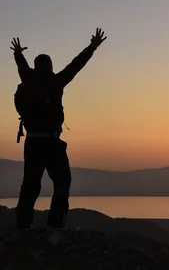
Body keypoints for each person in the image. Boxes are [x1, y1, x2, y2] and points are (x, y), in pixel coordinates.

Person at [10, 28, 107, 229]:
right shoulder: (56, 81)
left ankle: (22, 226)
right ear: (50, 66)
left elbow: (21, 66)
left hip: (33, 142)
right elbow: (76, 65)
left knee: (30, 184)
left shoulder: (28, 79)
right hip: (52, 143)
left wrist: (18, 52)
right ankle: (55, 224)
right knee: (62, 182)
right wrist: (92, 47)